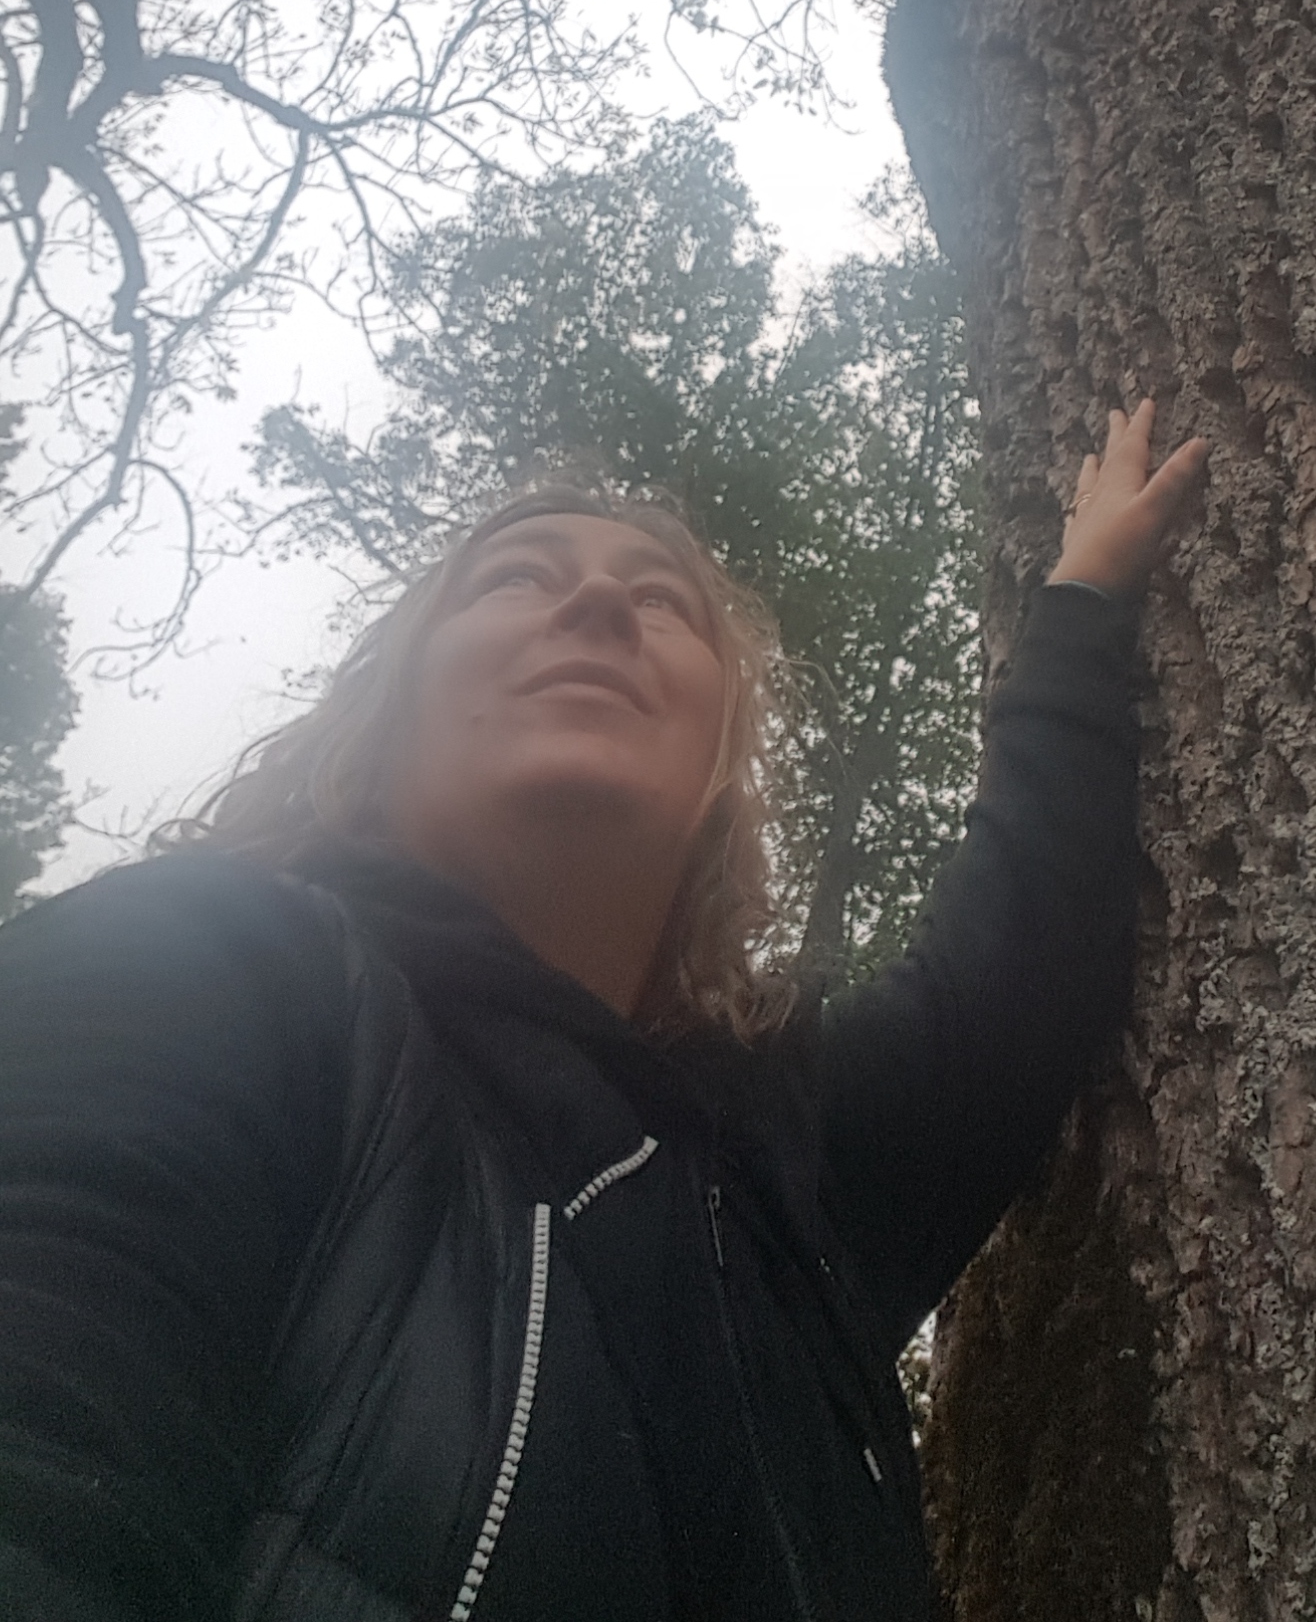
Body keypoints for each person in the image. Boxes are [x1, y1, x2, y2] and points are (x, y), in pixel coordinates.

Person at [0, 396, 1207, 1622]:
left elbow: (1024, 962)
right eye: (517, 578)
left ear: (716, 773)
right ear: (383, 721)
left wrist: (1083, 606)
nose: (597, 605)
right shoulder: (207, 969)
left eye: (663, 602)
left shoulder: (783, 1167)